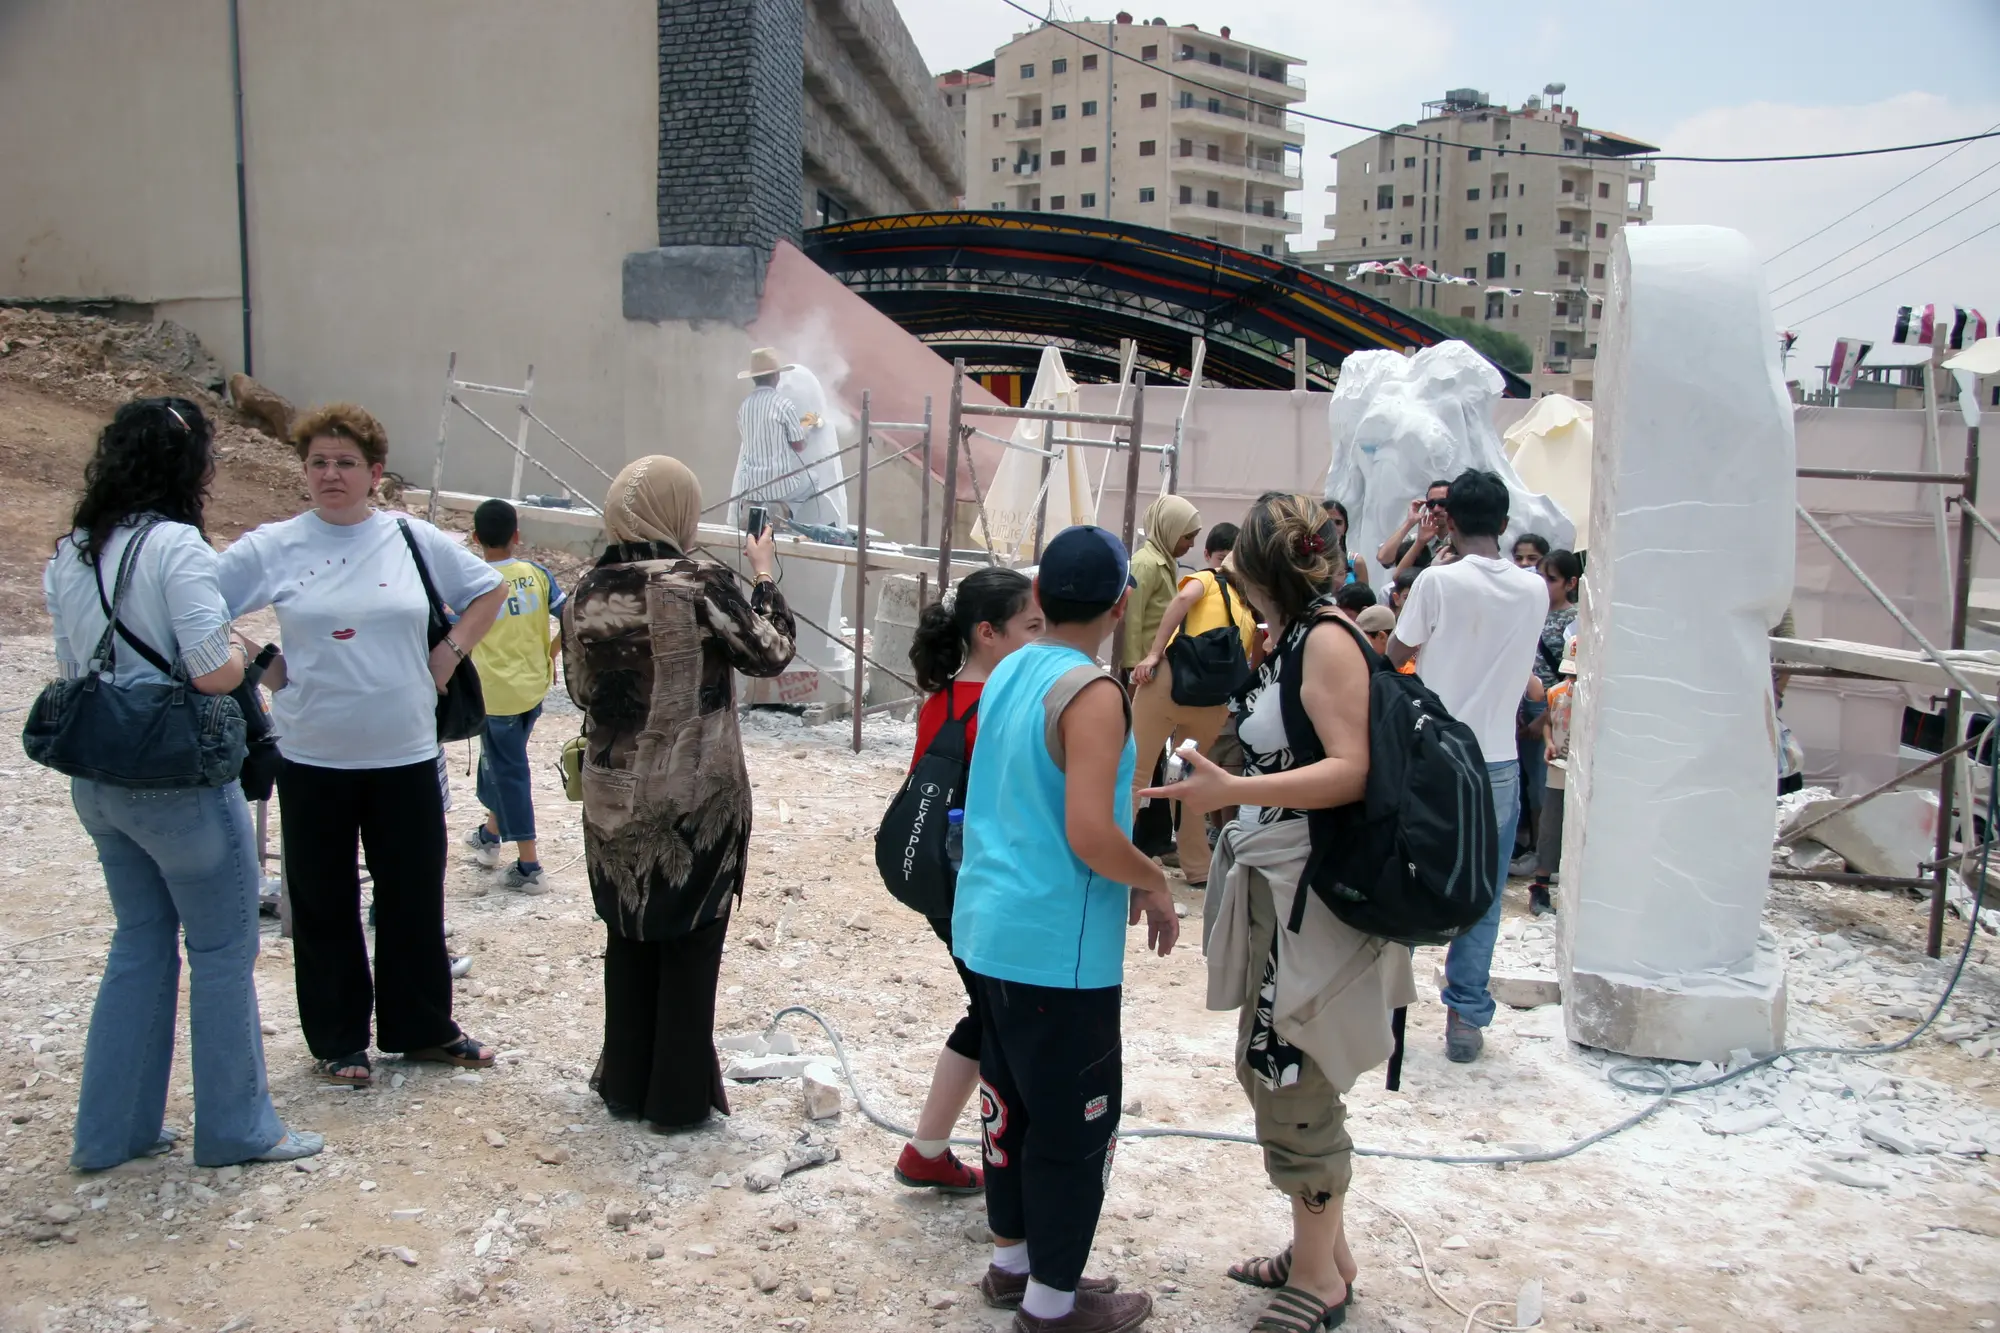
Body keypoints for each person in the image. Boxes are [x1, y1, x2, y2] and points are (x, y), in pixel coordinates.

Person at [1149, 492, 1414, 1333]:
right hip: (1282, 889)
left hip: (1316, 900)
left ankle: (1320, 1277)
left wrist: (1233, 787)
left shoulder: (1326, 640)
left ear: (1263, 567)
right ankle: (1324, 1252)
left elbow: (1351, 767)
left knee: (1294, 1074)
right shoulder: (1292, 635)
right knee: (1268, 1065)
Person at [49, 398, 321, 1169]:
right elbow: (211, 673)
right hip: (176, 778)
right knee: (223, 949)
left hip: (99, 774)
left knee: (138, 940)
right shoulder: (176, 547)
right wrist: (243, 653)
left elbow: (72, 659)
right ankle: (237, 1124)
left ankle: (112, 1129)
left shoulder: (72, 550)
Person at [219, 403, 506, 1087]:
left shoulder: (409, 537)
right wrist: (263, 664)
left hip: (404, 751)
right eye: (318, 462)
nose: (331, 474)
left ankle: (423, 1028)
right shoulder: (275, 545)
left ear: (375, 472)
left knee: (413, 897)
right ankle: (338, 1039)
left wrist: (447, 655)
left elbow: (488, 589)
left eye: (346, 462)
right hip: (313, 754)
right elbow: (196, 606)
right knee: (323, 901)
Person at [953, 525, 1177, 1332]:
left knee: (1008, 1104)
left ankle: (1012, 1263)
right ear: (1122, 604)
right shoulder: (1094, 693)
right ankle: (1051, 1305)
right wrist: (1153, 878)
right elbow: (1089, 832)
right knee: (1075, 1123)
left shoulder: (1012, 667)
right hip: (1058, 946)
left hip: (988, 924)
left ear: (1040, 596)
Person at [562, 455, 796, 1129]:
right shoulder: (699, 582)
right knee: (692, 938)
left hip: (611, 792)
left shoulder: (583, 592)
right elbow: (772, 653)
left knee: (628, 932)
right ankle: (676, 1100)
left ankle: (625, 1084)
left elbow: (579, 689)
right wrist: (763, 575)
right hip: (694, 793)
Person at [1386, 469, 1548, 1064]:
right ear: (1504, 524)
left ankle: (1388, 1004)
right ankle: (1465, 1015)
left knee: (1409, 874)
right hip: (1498, 762)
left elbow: (1396, 654)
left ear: (1448, 519)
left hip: (1434, 753)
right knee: (1484, 891)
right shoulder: (1534, 589)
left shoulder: (1436, 581)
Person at [895, 567, 1044, 1195]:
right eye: (1031, 626)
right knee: (1001, 1018)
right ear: (988, 633)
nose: (1041, 638)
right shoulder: (1002, 707)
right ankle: (1006, 1159)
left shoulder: (942, 701)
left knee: (987, 1013)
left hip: (942, 884)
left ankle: (927, 1150)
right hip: (981, 889)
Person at [1130, 521, 1257, 888]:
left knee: (1134, 772)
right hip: (1212, 702)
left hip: (1169, 683)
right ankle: (1199, 868)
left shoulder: (1205, 579)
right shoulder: (1248, 611)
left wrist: (1153, 653)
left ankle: (1111, 853)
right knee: (1189, 780)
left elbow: (1182, 601)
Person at [463, 499, 566, 893]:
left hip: (495, 695)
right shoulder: (537, 574)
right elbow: (571, 616)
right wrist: (551, 652)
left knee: (508, 772)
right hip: (533, 687)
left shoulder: (472, 580)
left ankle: (529, 866)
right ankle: (490, 837)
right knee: (502, 763)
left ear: (475, 538)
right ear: (516, 536)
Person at [1122, 493, 1201, 679]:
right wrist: (1132, 668)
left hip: (1156, 665)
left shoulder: (1166, 563)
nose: (1192, 544)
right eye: (1188, 537)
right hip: (1142, 670)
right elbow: (1131, 618)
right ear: (1168, 531)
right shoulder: (1145, 564)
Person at [1529, 634, 1579, 916]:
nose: (1573, 681)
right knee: (1550, 827)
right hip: (1558, 770)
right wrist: (1549, 743)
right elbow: (1548, 720)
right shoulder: (1557, 693)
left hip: (1582, 774)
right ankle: (1541, 885)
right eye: (1570, 675)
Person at [733, 346, 814, 510]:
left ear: (754, 378)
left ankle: (753, 507)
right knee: (812, 480)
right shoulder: (784, 405)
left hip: (750, 486)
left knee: (756, 497)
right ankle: (784, 512)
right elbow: (798, 445)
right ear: (775, 376)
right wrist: (808, 429)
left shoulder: (744, 407)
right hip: (779, 485)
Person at [1374, 479, 1452, 579]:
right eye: (1431, 504)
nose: (1436, 509)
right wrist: (1409, 522)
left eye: (1442, 503)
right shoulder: (1418, 539)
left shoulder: (1463, 538)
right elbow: (1383, 557)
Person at [1325, 500, 1367, 587]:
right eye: (1328, 522)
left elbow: (1364, 594)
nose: (1333, 527)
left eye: (1338, 522)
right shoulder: (1309, 559)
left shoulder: (1356, 562)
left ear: (1345, 528)